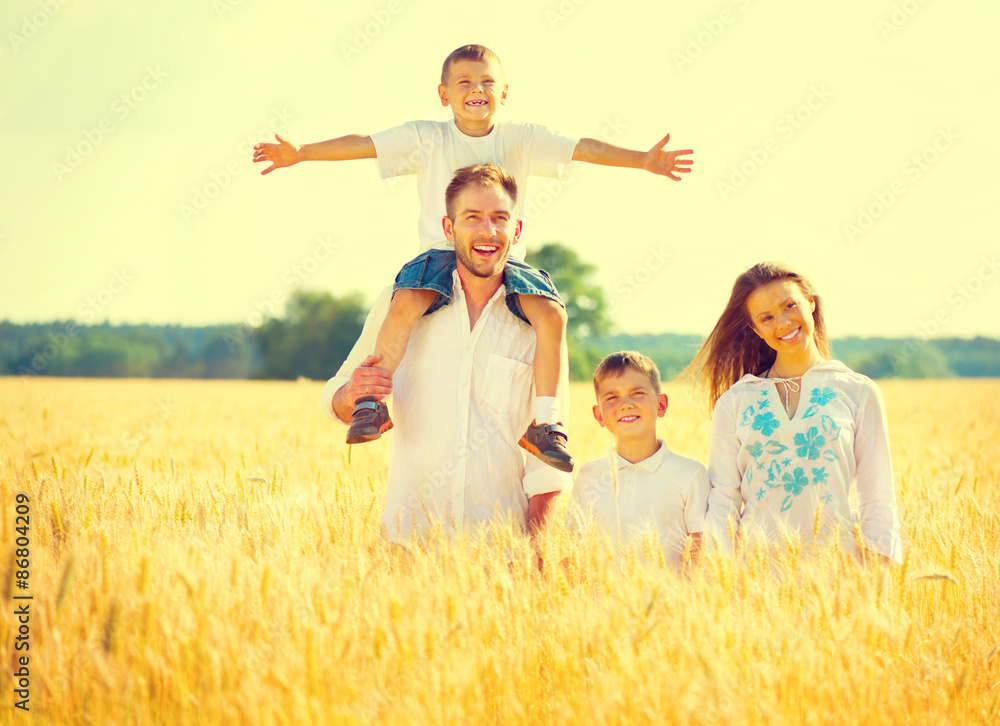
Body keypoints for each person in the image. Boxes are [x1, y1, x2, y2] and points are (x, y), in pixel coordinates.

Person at [255, 44, 694, 473]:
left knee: (552, 313)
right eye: (463, 81)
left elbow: (583, 148)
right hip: (439, 253)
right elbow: (364, 144)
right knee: (404, 301)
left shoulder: (521, 138)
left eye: (487, 81)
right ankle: (371, 404)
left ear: (505, 92)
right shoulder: (427, 137)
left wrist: (643, 161)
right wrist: (302, 153)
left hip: (505, 258)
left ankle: (546, 422)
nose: (476, 88)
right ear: (443, 93)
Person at [319, 163, 570, 546]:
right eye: (472, 218)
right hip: (408, 544)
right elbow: (334, 396)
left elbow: (548, 468)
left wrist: (536, 554)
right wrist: (353, 396)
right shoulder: (400, 301)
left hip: (500, 550)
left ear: (516, 231)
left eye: (500, 219)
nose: (488, 231)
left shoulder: (539, 318)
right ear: (448, 229)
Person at [685, 262, 902, 565]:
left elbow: (878, 498)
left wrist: (874, 582)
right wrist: (716, 580)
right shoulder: (735, 402)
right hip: (756, 580)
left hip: (839, 576)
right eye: (767, 317)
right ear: (755, 329)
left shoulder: (858, 392)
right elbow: (723, 501)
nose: (783, 322)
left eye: (790, 305)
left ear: (811, 303)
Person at [568, 351, 709, 572]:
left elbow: (701, 560)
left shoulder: (690, 475)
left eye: (637, 393)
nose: (625, 404)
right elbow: (577, 555)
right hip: (601, 605)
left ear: (661, 404)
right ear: (599, 416)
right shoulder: (588, 476)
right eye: (612, 397)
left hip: (670, 604)